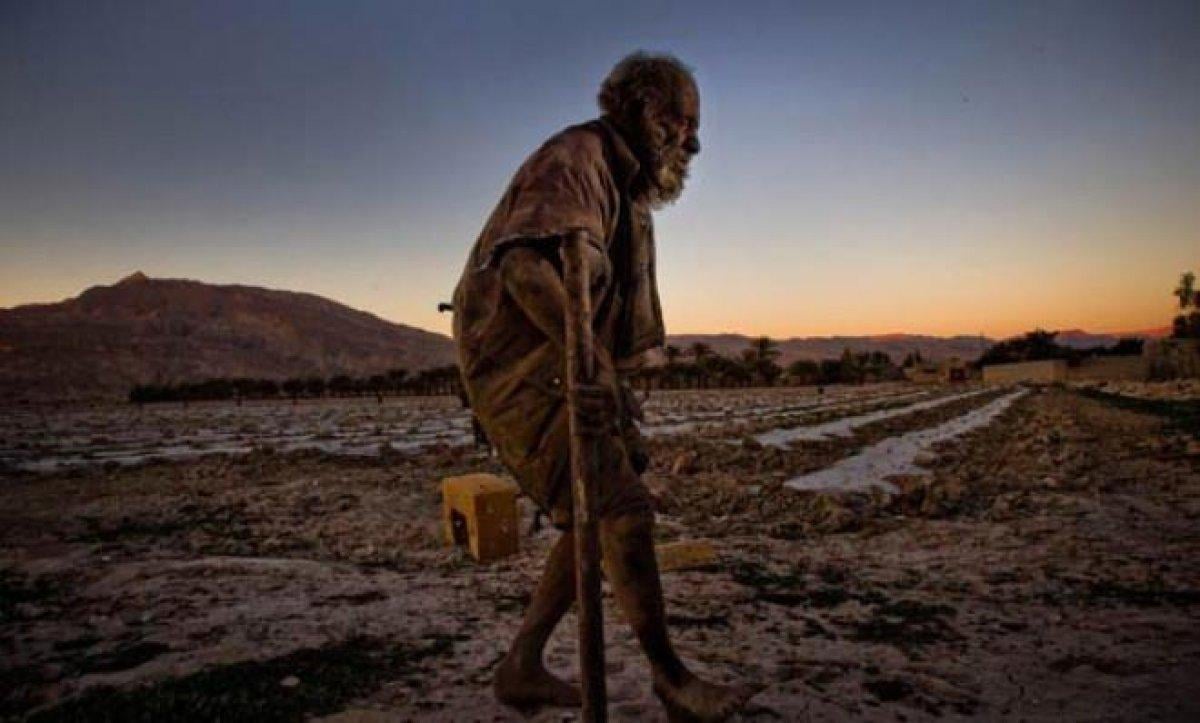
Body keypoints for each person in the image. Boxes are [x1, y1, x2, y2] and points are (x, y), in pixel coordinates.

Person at [452, 51, 747, 721]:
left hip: (566, 360)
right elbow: (527, 270)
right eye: (682, 121)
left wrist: (605, 370)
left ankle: (521, 665)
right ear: (644, 111)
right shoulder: (576, 160)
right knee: (622, 509)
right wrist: (592, 364)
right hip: (524, 369)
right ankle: (671, 677)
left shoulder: (626, 187)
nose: (694, 142)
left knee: (601, 504)